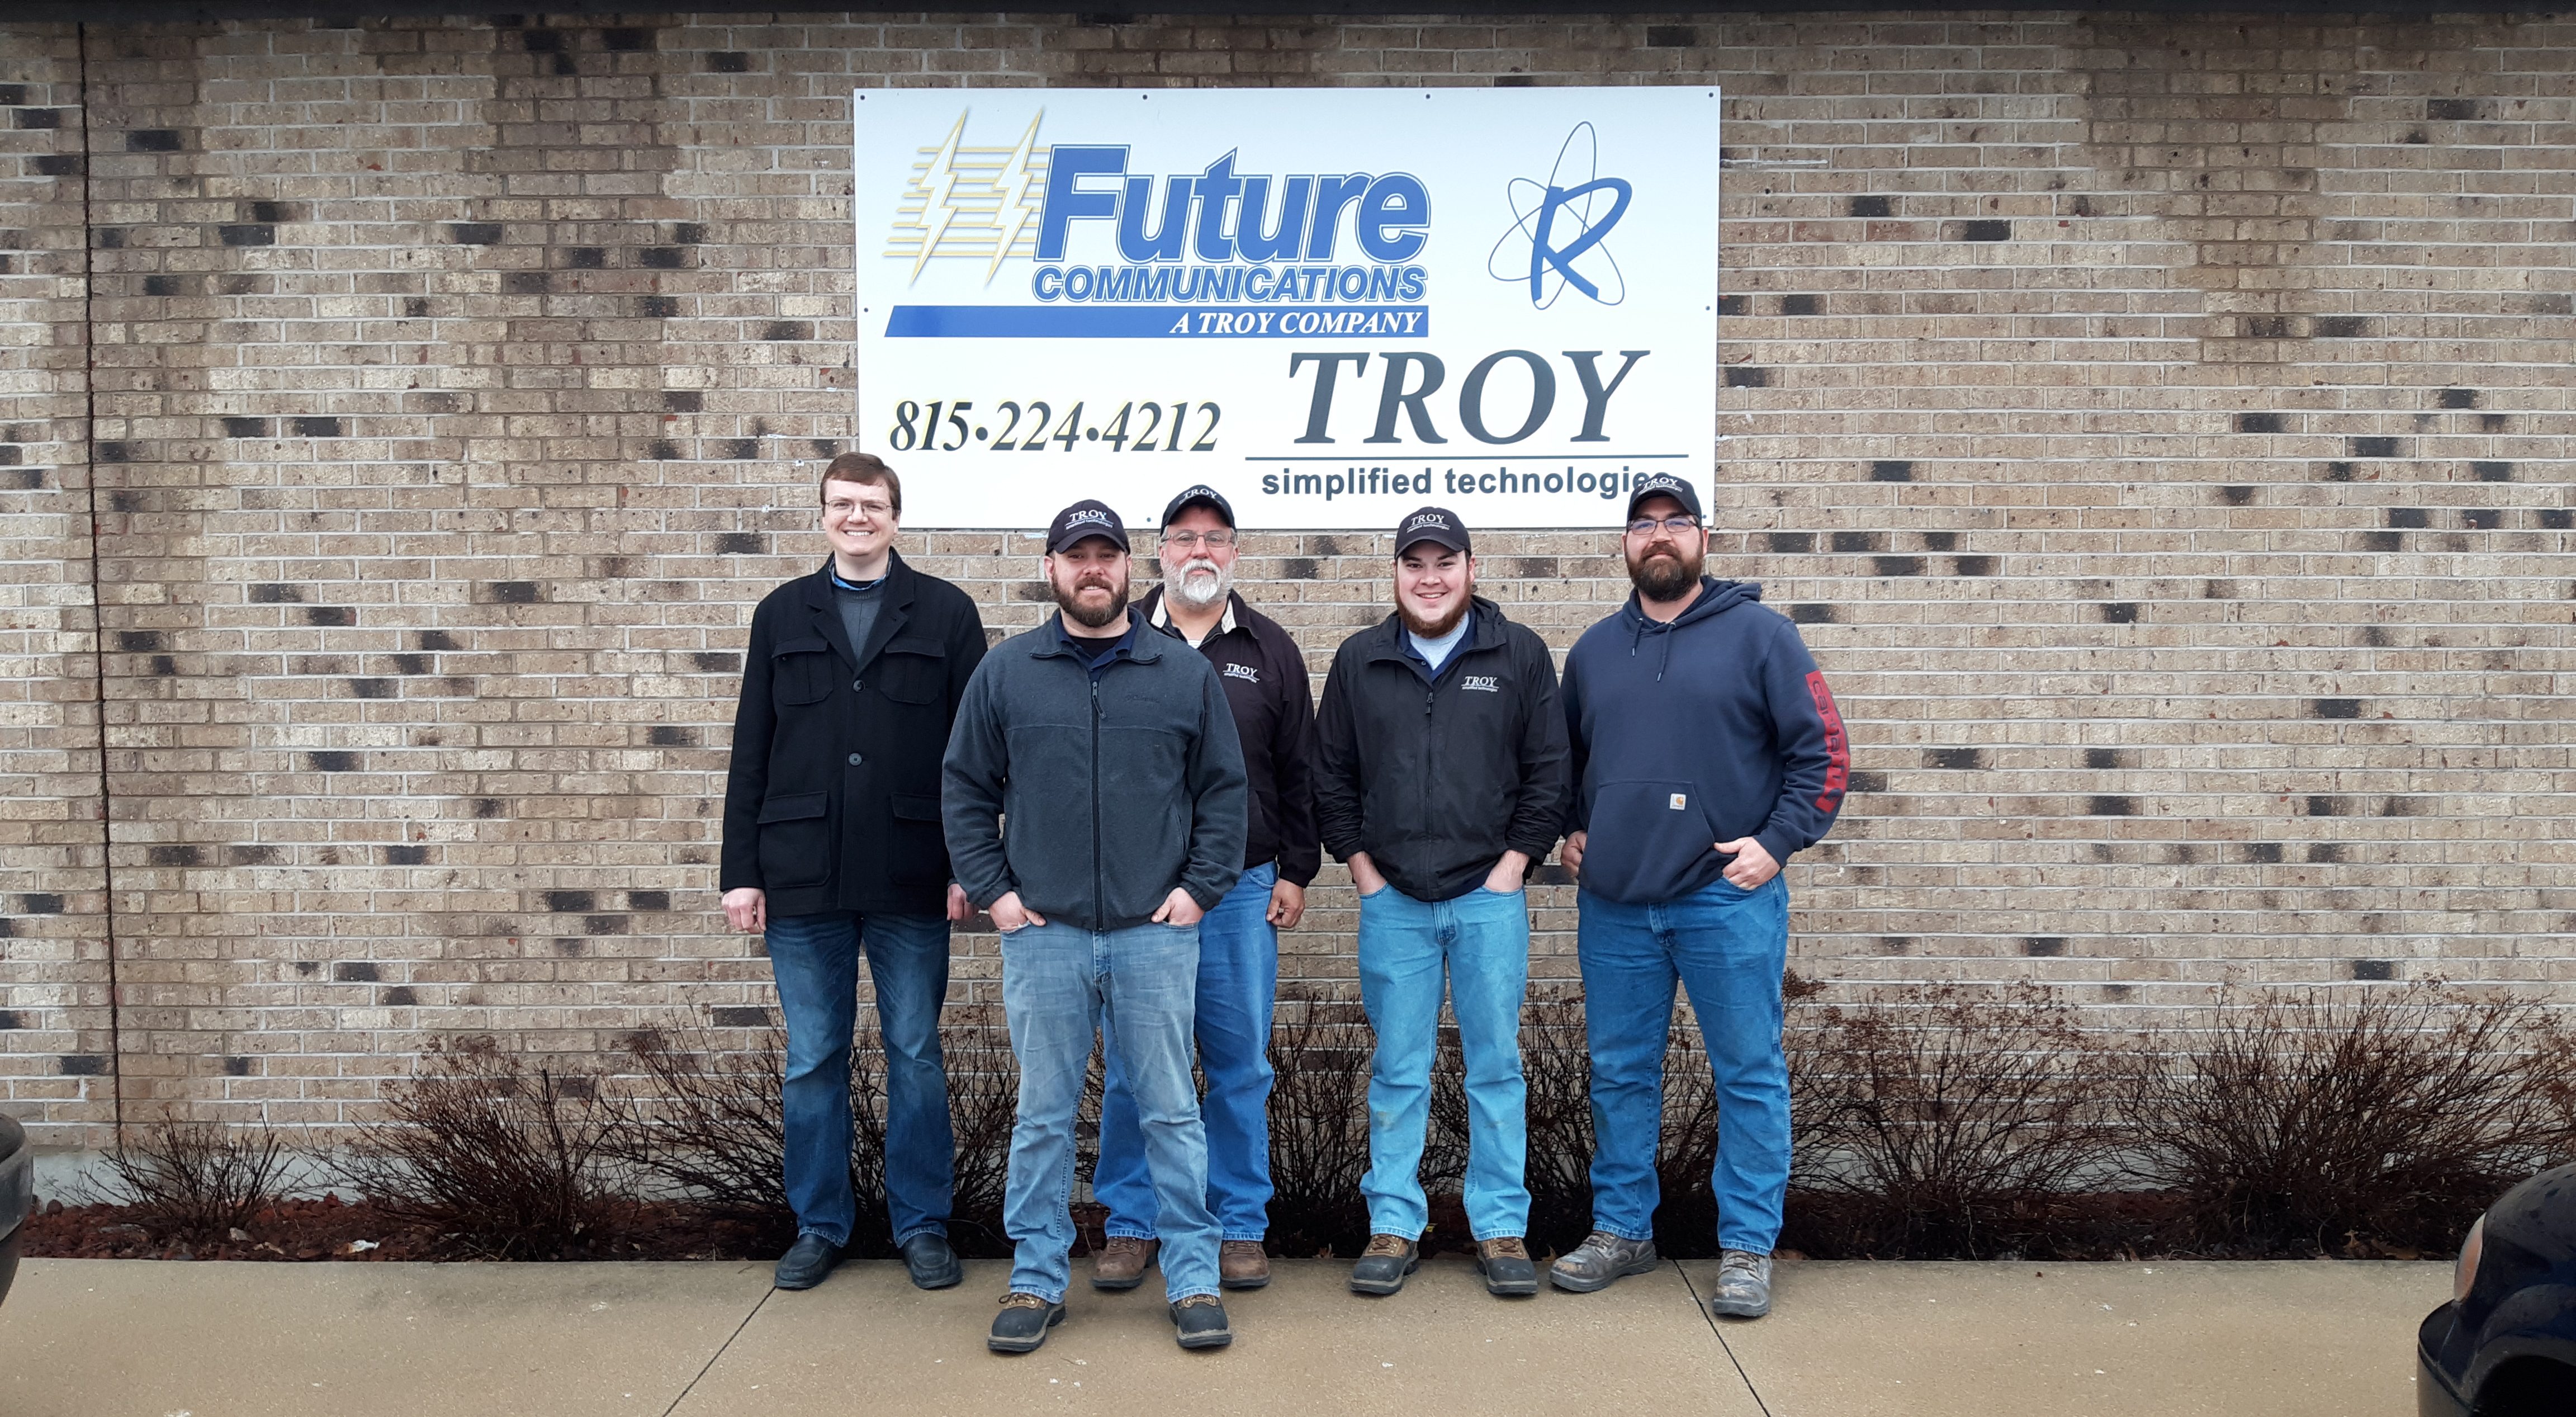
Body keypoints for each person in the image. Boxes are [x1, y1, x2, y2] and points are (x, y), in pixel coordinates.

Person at [942, 499, 1250, 1354]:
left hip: (1156, 932)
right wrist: (995, 891)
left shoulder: (1181, 673)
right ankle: (1037, 1277)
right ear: (1052, 570)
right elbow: (965, 787)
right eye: (1076, 556)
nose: (1092, 570)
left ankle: (1192, 1276)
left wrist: (1200, 889)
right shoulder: (1007, 673)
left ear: (1129, 568)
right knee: (1042, 1115)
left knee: (1171, 1111)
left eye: (1106, 555)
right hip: (1043, 934)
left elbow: (1225, 792)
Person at [1550, 472, 1849, 1320]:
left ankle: (1748, 1246)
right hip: (1616, 903)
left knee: (1748, 1073)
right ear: (1625, 545)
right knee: (1618, 1074)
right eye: (1643, 525)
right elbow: (1565, 762)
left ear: (1702, 539)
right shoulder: (1596, 650)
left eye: (1675, 522)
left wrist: (1778, 841)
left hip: (1725, 900)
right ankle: (1622, 1230)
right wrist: (1572, 824)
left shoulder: (1764, 638)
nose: (1659, 537)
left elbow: (1824, 754)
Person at [718, 452, 986, 1293]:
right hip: (802, 874)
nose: (858, 517)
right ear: (824, 515)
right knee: (813, 1058)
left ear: (897, 517)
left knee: (914, 1051)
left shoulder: (945, 613)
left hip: (913, 871)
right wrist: (741, 872)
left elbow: (977, 758)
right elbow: (750, 751)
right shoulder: (780, 614)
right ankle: (820, 1223)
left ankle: (923, 1224)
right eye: (844, 504)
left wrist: (970, 864)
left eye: (873, 504)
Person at [1312, 507, 1570, 1300]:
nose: (1430, 578)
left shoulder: (1519, 654)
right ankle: (1394, 1221)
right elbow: (1330, 776)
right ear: (1395, 573)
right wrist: (1362, 871)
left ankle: (1500, 1226)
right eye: (1414, 563)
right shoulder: (1360, 660)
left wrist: (1512, 866)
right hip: (1394, 902)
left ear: (1470, 567)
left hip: (1489, 900)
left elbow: (1550, 772)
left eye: (1444, 561)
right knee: (1398, 1068)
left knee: (1496, 1066)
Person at [1092, 485, 1320, 1295]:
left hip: (1240, 890)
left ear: (1234, 553)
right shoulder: (1118, 638)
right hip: (1139, 895)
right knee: (1133, 1066)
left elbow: (1300, 770)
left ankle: (1239, 1226)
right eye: (1185, 536)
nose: (1200, 550)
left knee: (1238, 1065)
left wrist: (1296, 868)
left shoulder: (1270, 649)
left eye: (1216, 538)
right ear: (1160, 552)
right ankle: (1130, 1222)